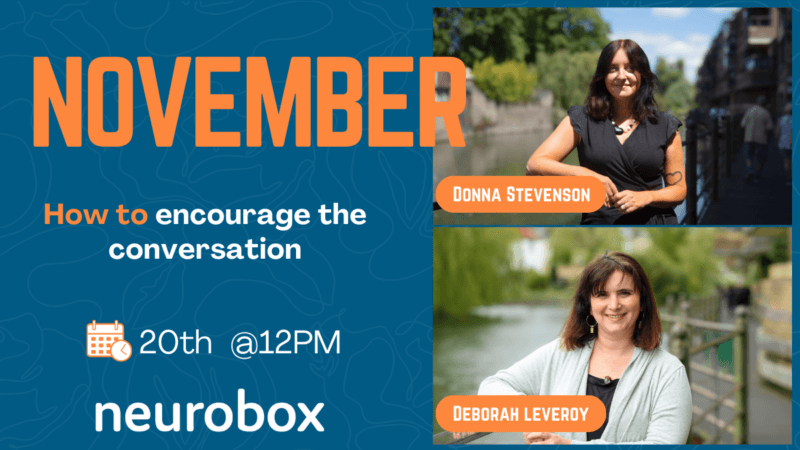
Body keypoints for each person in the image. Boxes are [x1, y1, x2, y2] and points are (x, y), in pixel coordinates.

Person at [478, 252, 692, 444]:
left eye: (625, 293)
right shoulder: (560, 353)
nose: (614, 304)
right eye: (602, 294)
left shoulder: (668, 372)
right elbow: (490, 387)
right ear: (588, 303)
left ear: (642, 301)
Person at [526, 40, 686, 225]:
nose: (622, 76)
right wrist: (584, 174)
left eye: (630, 68)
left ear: (642, 74)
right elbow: (534, 164)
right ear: (603, 76)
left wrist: (646, 197)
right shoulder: (581, 119)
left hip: (655, 223)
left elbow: (680, 190)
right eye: (613, 69)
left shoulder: (665, 125)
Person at [740, 96, 774, 183]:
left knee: (748, 155)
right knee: (761, 158)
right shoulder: (766, 113)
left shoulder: (750, 111)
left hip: (749, 138)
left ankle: (750, 169)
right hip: (761, 139)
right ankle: (757, 175)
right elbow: (769, 129)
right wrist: (769, 140)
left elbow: (742, 125)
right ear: (764, 103)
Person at [777, 103, 792, 184]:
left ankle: (788, 178)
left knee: (786, 161)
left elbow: (777, 132)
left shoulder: (781, 119)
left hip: (783, 143)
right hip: (794, 144)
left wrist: (777, 140)